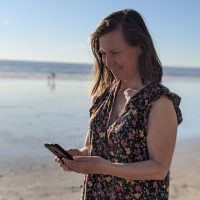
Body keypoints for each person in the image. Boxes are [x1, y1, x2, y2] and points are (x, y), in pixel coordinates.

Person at [55, 9, 182, 199]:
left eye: (115, 52)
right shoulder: (103, 97)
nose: (108, 62)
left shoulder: (158, 102)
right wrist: (77, 156)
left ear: (139, 47)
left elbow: (159, 169)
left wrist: (106, 167)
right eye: (103, 53)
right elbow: (93, 147)